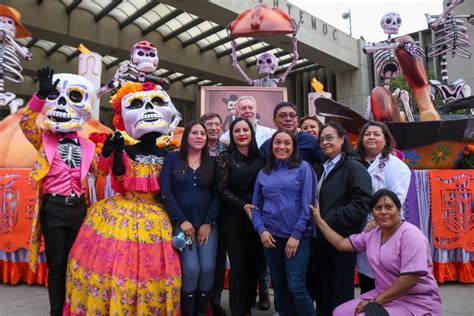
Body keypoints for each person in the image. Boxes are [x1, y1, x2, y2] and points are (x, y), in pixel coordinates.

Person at [63, 81, 182, 314]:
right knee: (114, 264)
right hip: (121, 212)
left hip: (156, 214)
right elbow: (117, 175)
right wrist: (114, 151)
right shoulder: (127, 150)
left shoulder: (168, 154)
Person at [20, 68, 98, 316]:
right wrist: (41, 96)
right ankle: (56, 311)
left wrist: (114, 154)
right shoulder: (43, 139)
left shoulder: (88, 145)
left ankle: (73, 307)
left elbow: (102, 169)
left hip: (79, 208)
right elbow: (26, 122)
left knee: (77, 263)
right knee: (57, 264)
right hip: (53, 208)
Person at [312, 189, 441, 316]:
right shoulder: (372, 234)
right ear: (372, 213)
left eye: (389, 207)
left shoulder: (411, 235)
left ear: (399, 209)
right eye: (378, 208)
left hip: (416, 300)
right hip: (383, 294)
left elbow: (409, 280)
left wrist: (374, 302)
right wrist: (318, 219)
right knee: (340, 312)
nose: (383, 212)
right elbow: (341, 244)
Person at [252, 130, 316, 316]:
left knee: (296, 285)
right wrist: (261, 230)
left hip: (297, 238)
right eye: (277, 142)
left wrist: (296, 235)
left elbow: (309, 205)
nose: (281, 146)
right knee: (278, 284)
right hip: (270, 238)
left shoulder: (304, 168)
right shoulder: (264, 173)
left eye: (287, 143)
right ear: (271, 146)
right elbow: (255, 208)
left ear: (294, 147)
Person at [160, 120, 220, 316]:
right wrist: (181, 221)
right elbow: (166, 192)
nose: (199, 136)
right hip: (183, 226)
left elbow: (218, 195)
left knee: (208, 268)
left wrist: (208, 222)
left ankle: (201, 312)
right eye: (195, 133)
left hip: (206, 227)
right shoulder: (172, 159)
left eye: (202, 133)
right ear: (186, 136)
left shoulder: (213, 162)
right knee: (192, 269)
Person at [314, 122, 372, 316]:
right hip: (323, 238)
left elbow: (362, 203)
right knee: (324, 287)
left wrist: (328, 220)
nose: (324, 142)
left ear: (341, 139)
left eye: (329, 138)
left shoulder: (353, 166)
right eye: (321, 139)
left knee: (341, 291)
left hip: (342, 239)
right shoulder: (324, 167)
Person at [216, 117, 266, 316]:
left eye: (245, 129)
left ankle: (247, 306)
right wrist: (243, 205)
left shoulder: (262, 157)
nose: (242, 134)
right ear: (232, 135)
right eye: (237, 131)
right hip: (233, 219)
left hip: (258, 221)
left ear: (252, 132)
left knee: (255, 267)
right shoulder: (224, 157)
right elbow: (221, 189)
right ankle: (238, 310)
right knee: (238, 268)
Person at [355, 121, 412, 293]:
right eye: (367, 134)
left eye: (376, 134)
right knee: (366, 277)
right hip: (359, 227)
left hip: (385, 227)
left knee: (386, 277)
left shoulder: (396, 166)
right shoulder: (354, 162)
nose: (371, 137)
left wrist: (376, 220)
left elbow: (397, 198)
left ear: (386, 140)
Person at [200, 112, 227, 316]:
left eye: (217, 124)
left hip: (224, 212)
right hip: (198, 210)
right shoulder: (195, 149)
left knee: (218, 259)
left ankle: (214, 300)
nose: (214, 128)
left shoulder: (227, 150)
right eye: (209, 124)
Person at [260, 102, 325, 166]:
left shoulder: (312, 141)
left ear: (297, 120)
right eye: (282, 116)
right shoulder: (267, 146)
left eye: (292, 115)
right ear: (274, 121)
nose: (288, 119)